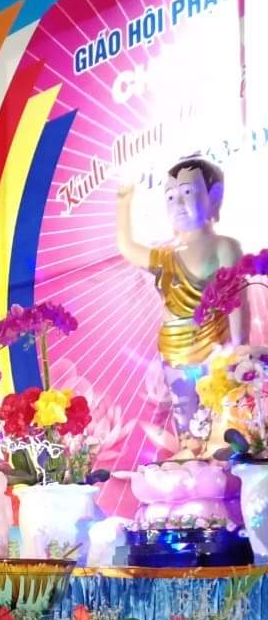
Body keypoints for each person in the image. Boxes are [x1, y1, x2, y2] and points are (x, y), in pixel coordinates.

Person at [116, 158, 247, 453]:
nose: (178, 203)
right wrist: (124, 201)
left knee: (220, 425)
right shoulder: (166, 256)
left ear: (214, 196)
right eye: (170, 196)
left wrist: (237, 349)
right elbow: (128, 248)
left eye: (187, 192)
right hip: (174, 353)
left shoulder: (224, 246)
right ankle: (192, 462)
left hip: (214, 350)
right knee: (187, 430)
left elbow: (236, 301)